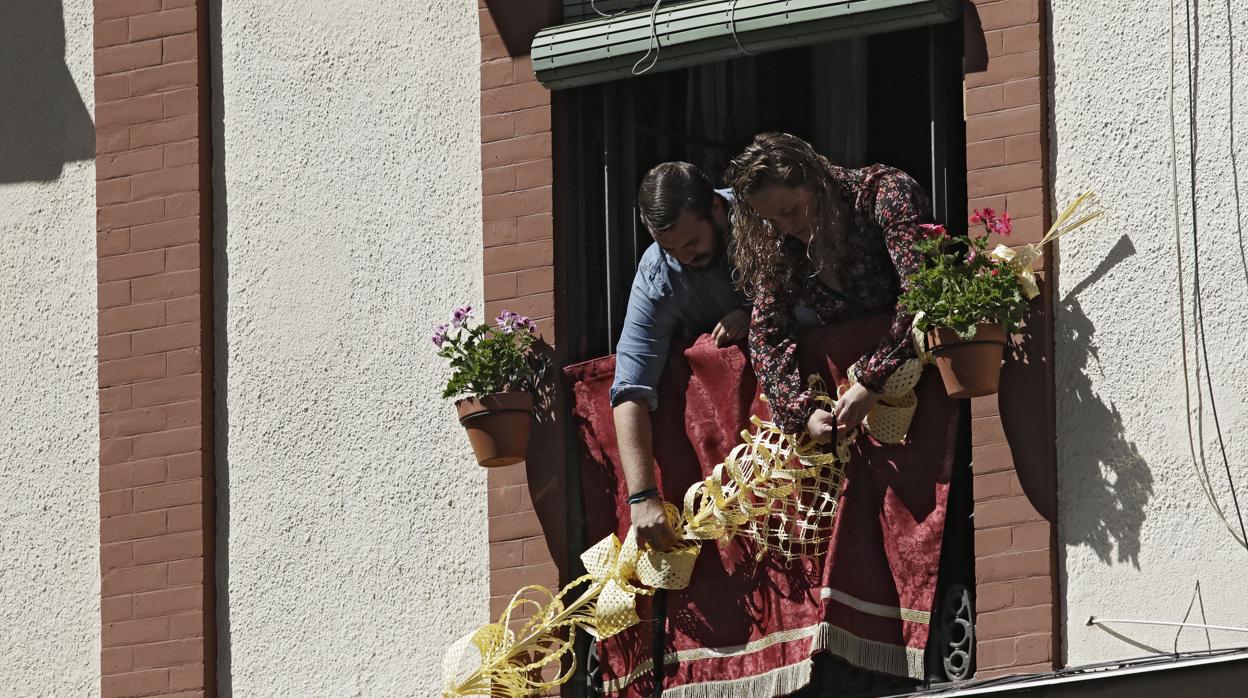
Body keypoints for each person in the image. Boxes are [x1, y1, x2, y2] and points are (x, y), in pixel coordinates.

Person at [723, 132, 932, 443]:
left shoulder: (884, 193)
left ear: (815, 180)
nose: (786, 226)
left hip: (931, 389)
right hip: (863, 418)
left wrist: (873, 380)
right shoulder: (780, 244)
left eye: (791, 210)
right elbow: (768, 334)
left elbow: (919, 290)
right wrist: (803, 413)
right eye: (771, 220)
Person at [612, 161, 749, 551]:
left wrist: (764, 316)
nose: (685, 258)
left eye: (692, 243)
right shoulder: (658, 271)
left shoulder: (763, 214)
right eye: (671, 248)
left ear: (718, 211)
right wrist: (641, 498)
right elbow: (628, 390)